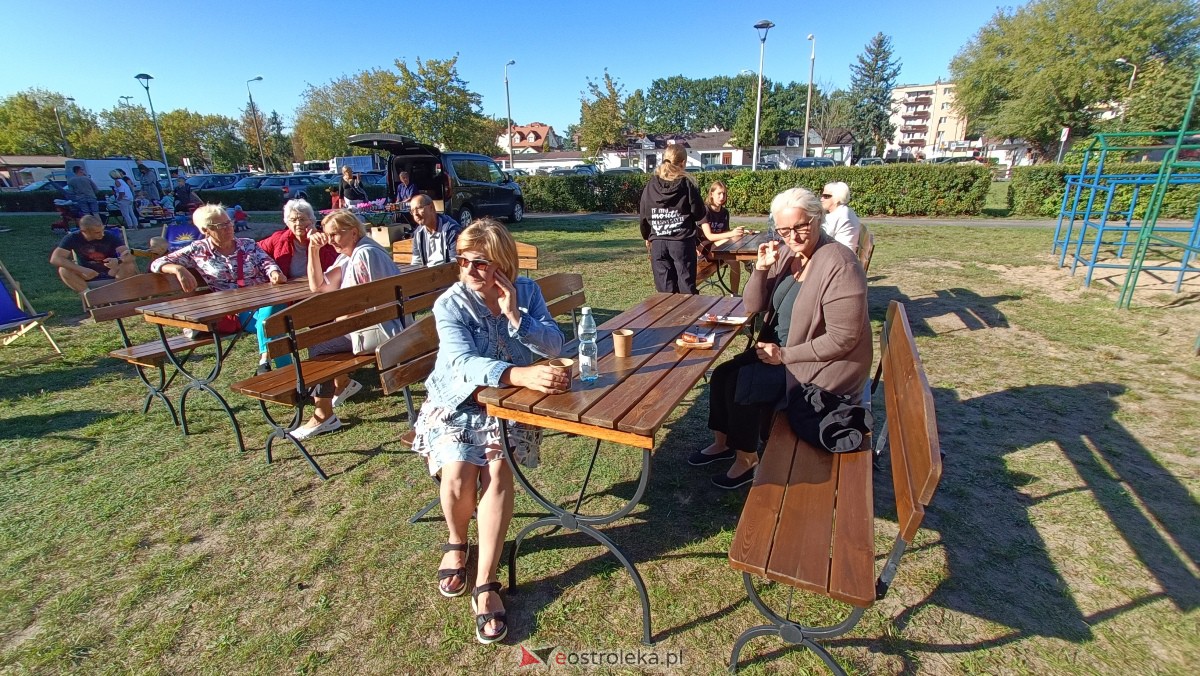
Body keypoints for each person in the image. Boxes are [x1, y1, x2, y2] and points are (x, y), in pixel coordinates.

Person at [410, 218, 566, 644]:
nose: (468, 271)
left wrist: (517, 316)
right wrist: (518, 373)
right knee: (459, 470)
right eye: (462, 261)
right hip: (457, 399)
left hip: (508, 406)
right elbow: (459, 364)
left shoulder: (528, 292)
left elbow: (555, 346)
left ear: (503, 265)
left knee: (498, 471)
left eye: (479, 263)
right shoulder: (452, 304)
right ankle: (457, 541)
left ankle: (486, 584)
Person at [690, 188, 871, 489]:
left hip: (820, 368)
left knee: (743, 384)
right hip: (780, 351)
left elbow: (843, 340)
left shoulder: (841, 264)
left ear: (818, 219)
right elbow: (752, 306)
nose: (793, 236)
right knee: (723, 374)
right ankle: (722, 445)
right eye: (785, 229)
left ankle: (747, 460)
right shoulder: (788, 253)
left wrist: (785, 356)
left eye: (801, 227)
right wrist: (760, 271)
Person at [290, 210, 406, 440]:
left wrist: (340, 321)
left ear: (353, 232)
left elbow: (368, 305)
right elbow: (319, 287)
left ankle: (324, 415)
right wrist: (314, 250)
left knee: (318, 343)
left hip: (383, 332)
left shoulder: (365, 255)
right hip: (378, 327)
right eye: (328, 235)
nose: (331, 239)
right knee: (320, 336)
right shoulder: (348, 255)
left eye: (336, 234)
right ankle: (340, 388)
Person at [150, 204, 286, 351]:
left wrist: (274, 273)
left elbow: (267, 262)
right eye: (221, 225)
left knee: (272, 313)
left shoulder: (248, 244)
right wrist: (178, 269)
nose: (228, 228)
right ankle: (278, 366)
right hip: (237, 310)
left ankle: (267, 362)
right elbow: (157, 263)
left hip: (263, 300)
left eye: (229, 222)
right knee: (273, 323)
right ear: (205, 230)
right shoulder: (198, 250)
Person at [639, 143, 706, 294]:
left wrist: (647, 236)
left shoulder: (651, 185)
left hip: (658, 243)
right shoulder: (686, 184)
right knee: (686, 288)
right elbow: (699, 213)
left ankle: (667, 318)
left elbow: (643, 214)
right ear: (683, 163)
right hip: (681, 242)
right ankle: (687, 318)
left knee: (664, 292)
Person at [49, 214, 137, 292]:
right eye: (97, 232)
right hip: (87, 274)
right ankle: (90, 297)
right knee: (63, 270)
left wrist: (118, 261)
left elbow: (129, 254)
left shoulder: (109, 235)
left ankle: (120, 294)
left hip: (113, 272)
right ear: (84, 232)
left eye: (102, 230)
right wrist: (82, 270)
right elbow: (55, 258)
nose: (102, 234)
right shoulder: (73, 238)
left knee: (129, 265)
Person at [697, 180, 748, 261]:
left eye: (724, 194)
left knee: (734, 261)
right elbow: (709, 236)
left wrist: (737, 232)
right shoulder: (704, 211)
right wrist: (732, 234)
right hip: (705, 248)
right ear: (711, 194)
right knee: (732, 240)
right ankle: (747, 261)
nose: (722, 197)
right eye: (719, 193)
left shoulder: (725, 212)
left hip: (720, 244)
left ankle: (746, 261)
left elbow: (725, 232)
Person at [409, 194, 462, 267]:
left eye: (419, 208)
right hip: (428, 275)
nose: (415, 214)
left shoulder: (452, 230)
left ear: (431, 207)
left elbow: (454, 265)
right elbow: (416, 264)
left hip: (447, 275)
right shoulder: (418, 233)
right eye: (412, 210)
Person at [820, 181, 863, 250]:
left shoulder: (838, 215)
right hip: (845, 254)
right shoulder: (847, 211)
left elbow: (822, 237)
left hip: (841, 256)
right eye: (822, 195)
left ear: (837, 198)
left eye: (826, 196)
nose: (821, 199)